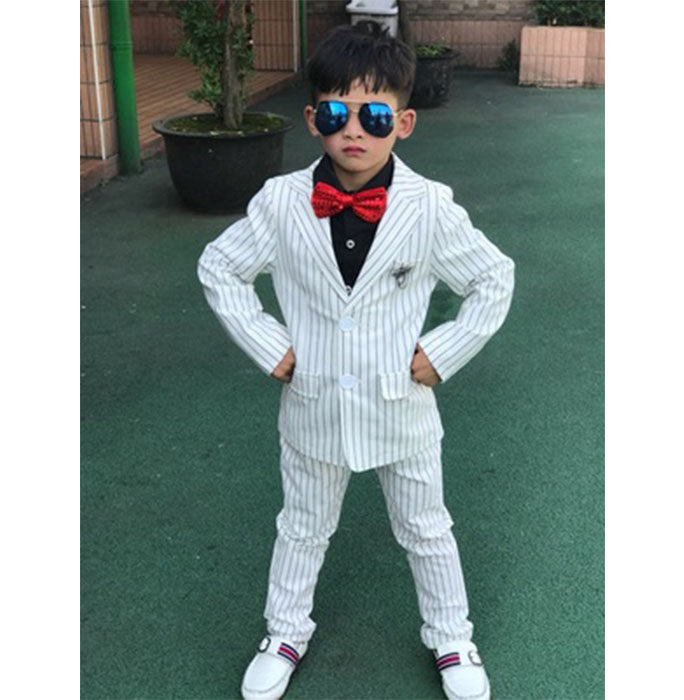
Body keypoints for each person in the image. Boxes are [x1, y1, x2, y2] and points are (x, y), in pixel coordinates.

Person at [197, 19, 514, 700]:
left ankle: (451, 637)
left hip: (402, 408)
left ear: (403, 123)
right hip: (313, 405)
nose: (355, 132)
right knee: (302, 526)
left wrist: (443, 350)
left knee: (427, 528)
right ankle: (285, 631)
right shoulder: (281, 203)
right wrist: (270, 344)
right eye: (338, 113)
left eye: (374, 116)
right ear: (314, 118)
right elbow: (220, 266)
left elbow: (494, 278)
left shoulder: (429, 208)